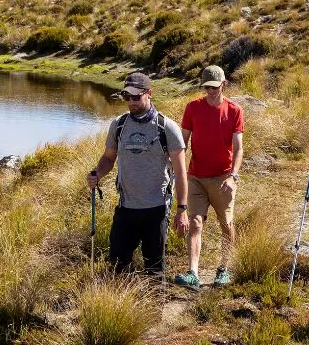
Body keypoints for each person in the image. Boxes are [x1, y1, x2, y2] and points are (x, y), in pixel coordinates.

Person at [87, 72, 189, 275]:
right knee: (118, 265)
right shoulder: (119, 125)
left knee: (154, 269)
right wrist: (97, 174)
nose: (131, 102)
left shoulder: (167, 127)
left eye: (136, 96)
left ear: (149, 93)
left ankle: (154, 295)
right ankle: (122, 295)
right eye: (126, 96)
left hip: (156, 209)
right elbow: (108, 158)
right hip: (126, 208)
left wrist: (182, 210)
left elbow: (180, 172)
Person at [173, 65, 244, 290]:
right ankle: (193, 273)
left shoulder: (234, 110)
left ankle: (224, 269)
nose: (211, 91)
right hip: (195, 177)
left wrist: (233, 176)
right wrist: (176, 170)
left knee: (227, 224)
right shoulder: (193, 108)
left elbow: (238, 148)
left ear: (224, 84)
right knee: (195, 223)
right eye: (207, 87)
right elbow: (182, 143)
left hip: (223, 178)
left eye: (215, 87)